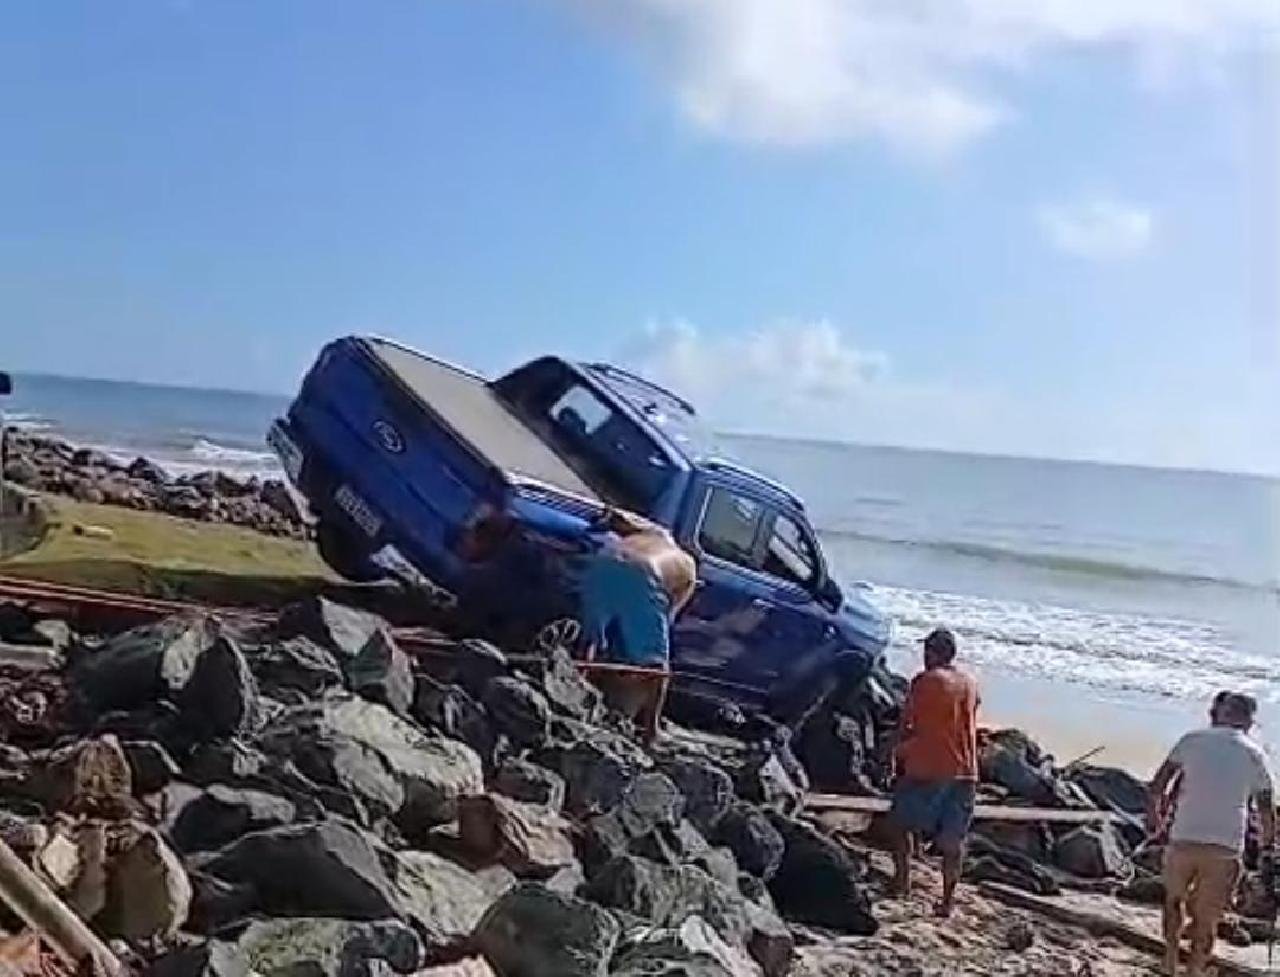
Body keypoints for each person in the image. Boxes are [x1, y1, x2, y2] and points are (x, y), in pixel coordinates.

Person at [1147, 691, 1275, 977]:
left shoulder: (1192, 740)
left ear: (1220, 713)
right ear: (1249, 721)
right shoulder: (1255, 753)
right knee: (1208, 917)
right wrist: (1268, 847)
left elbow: (1158, 785)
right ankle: (1195, 969)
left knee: (1173, 900)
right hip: (1225, 845)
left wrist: (1156, 818)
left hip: (1184, 835)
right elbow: (1266, 807)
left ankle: (1169, 960)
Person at [575, 507, 697, 744]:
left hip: (605, 558)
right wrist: (633, 664)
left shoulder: (658, 534)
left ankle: (574, 694)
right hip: (644, 570)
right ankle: (651, 730)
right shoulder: (688, 572)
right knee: (658, 667)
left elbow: (617, 518)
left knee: (590, 641)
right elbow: (666, 617)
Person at [888, 627, 981, 918]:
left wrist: (893, 755)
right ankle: (947, 901)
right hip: (966, 770)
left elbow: (908, 724)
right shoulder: (970, 682)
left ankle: (902, 883)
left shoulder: (925, 681)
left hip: (928, 765)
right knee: (953, 841)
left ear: (932, 653)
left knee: (900, 824)